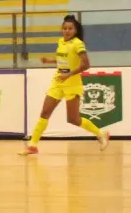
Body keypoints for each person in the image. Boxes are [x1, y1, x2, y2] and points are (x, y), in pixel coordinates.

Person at [22, 15, 111, 155]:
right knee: (45, 112)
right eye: (65, 28)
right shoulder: (61, 42)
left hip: (72, 83)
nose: (67, 31)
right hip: (58, 81)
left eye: (70, 28)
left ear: (75, 30)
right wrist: (49, 61)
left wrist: (69, 75)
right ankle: (33, 145)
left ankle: (100, 133)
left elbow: (86, 65)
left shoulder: (78, 44)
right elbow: (63, 60)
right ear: (61, 29)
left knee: (73, 119)